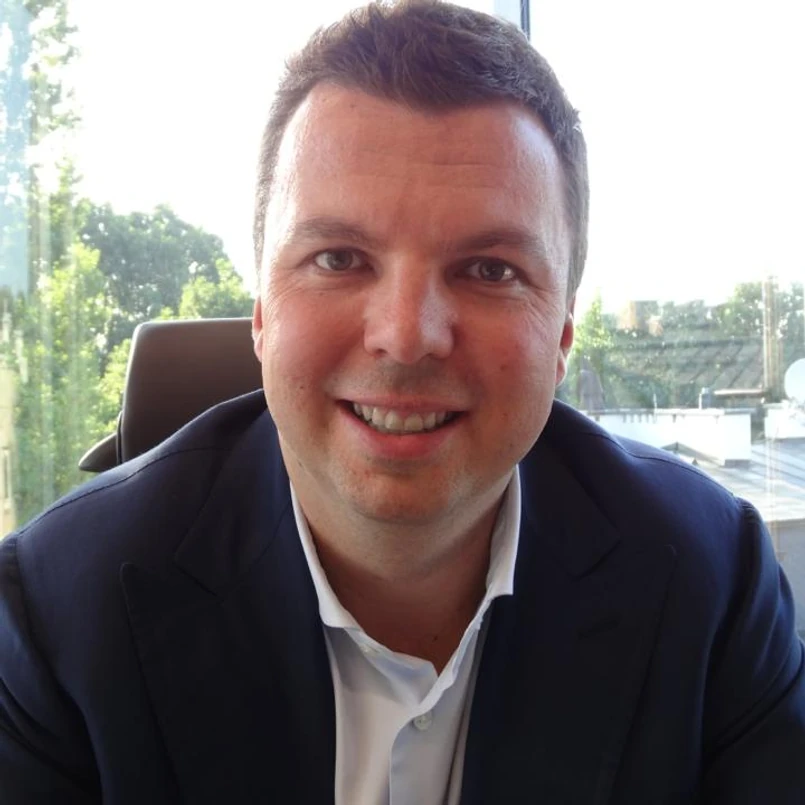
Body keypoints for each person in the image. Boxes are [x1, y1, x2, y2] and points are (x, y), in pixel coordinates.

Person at [1, 1, 804, 802]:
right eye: (338, 257)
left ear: (562, 335)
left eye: (489, 269)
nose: (407, 335)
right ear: (262, 314)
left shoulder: (709, 578)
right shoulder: (56, 614)